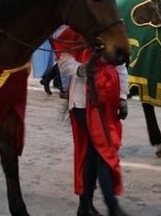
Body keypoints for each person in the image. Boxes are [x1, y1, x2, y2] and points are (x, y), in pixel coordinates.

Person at [55, 27, 130, 216]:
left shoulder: (111, 26)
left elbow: (120, 65)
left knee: (91, 153)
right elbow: (63, 61)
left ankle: (85, 205)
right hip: (83, 102)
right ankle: (112, 206)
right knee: (102, 150)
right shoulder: (75, 29)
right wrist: (80, 69)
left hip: (108, 102)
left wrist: (122, 97)